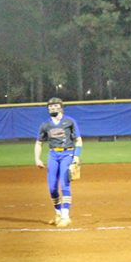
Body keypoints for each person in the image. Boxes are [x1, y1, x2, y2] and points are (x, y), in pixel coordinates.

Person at [34, 97, 83, 227]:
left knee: (64, 184)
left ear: (61, 107)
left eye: (55, 106)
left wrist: (76, 157)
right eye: (50, 106)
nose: (52, 108)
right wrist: (37, 159)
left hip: (68, 153)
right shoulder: (46, 125)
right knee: (52, 187)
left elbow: (78, 140)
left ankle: (66, 216)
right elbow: (39, 143)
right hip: (53, 155)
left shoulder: (69, 121)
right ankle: (58, 214)